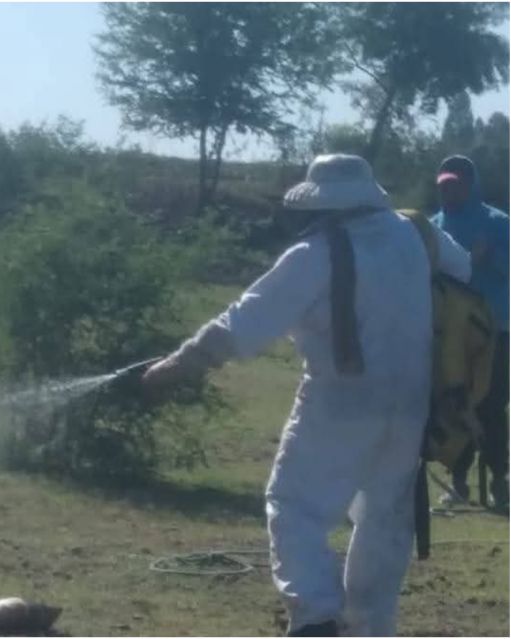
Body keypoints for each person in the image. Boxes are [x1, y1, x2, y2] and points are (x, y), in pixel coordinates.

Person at [141, 154, 470, 636]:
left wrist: (175, 366)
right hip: (411, 406)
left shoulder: (314, 254)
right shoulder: (415, 234)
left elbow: (241, 324)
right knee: (383, 519)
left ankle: (316, 617)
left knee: (294, 505)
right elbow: (461, 268)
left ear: (323, 202)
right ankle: (369, 627)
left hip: (339, 402)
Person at [431, 155, 509, 512]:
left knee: (492, 405)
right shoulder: (434, 226)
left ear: (470, 184)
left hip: (495, 333)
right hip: (450, 337)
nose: (449, 191)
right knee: (454, 404)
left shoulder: (497, 224)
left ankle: (500, 482)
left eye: (455, 184)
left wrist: (488, 259)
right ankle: (458, 483)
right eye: (444, 185)